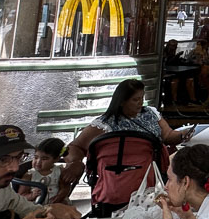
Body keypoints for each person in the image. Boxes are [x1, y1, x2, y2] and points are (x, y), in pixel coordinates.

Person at [56, 79, 194, 204]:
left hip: (154, 177)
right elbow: (75, 146)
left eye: (142, 98)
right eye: (135, 100)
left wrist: (182, 135)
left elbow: (168, 135)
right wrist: (75, 162)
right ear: (122, 101)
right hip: (118, 182)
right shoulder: (104, 124)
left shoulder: (151, 114)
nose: (140, 103)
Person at [17, 137, 66, 201]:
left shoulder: (59, 172)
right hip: (36, 205)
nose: (38, 162)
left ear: (56, 159)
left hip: (57, 203)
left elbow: (65, 188)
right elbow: (21, 196)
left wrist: (59, 196)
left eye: (44, 159)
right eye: (36, 157)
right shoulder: (29, 175)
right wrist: (32, 195)